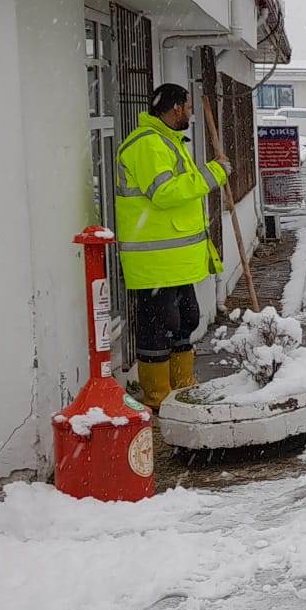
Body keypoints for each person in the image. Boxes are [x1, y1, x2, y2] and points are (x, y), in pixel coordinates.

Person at [115, 83, 229, 410]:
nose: (191, 113)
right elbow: (164, 194)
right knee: (159, 324)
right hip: (153, 260)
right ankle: (158, 398)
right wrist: (214, 173)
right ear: (176, 107)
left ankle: (182, 386)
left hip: (175, 259)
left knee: (186, 318)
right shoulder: (147, 146)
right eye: (188, 106)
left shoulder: (169, 142)